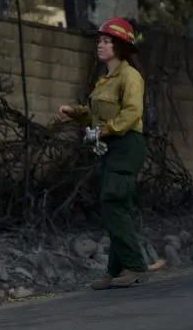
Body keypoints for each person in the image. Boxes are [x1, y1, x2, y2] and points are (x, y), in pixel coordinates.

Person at [58, 17, 147, 290]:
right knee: (112, 205)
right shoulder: (104, 81)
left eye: (106, 41)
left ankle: (133, 266)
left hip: (126, 143)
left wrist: (106, 130)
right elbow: (94, 115)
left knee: (114, 201)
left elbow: (132, 113)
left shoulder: (130, 76)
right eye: (100, 40)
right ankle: (116, 269)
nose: (101, 44)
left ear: (120, 46)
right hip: (110, 147)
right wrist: (76, 112)